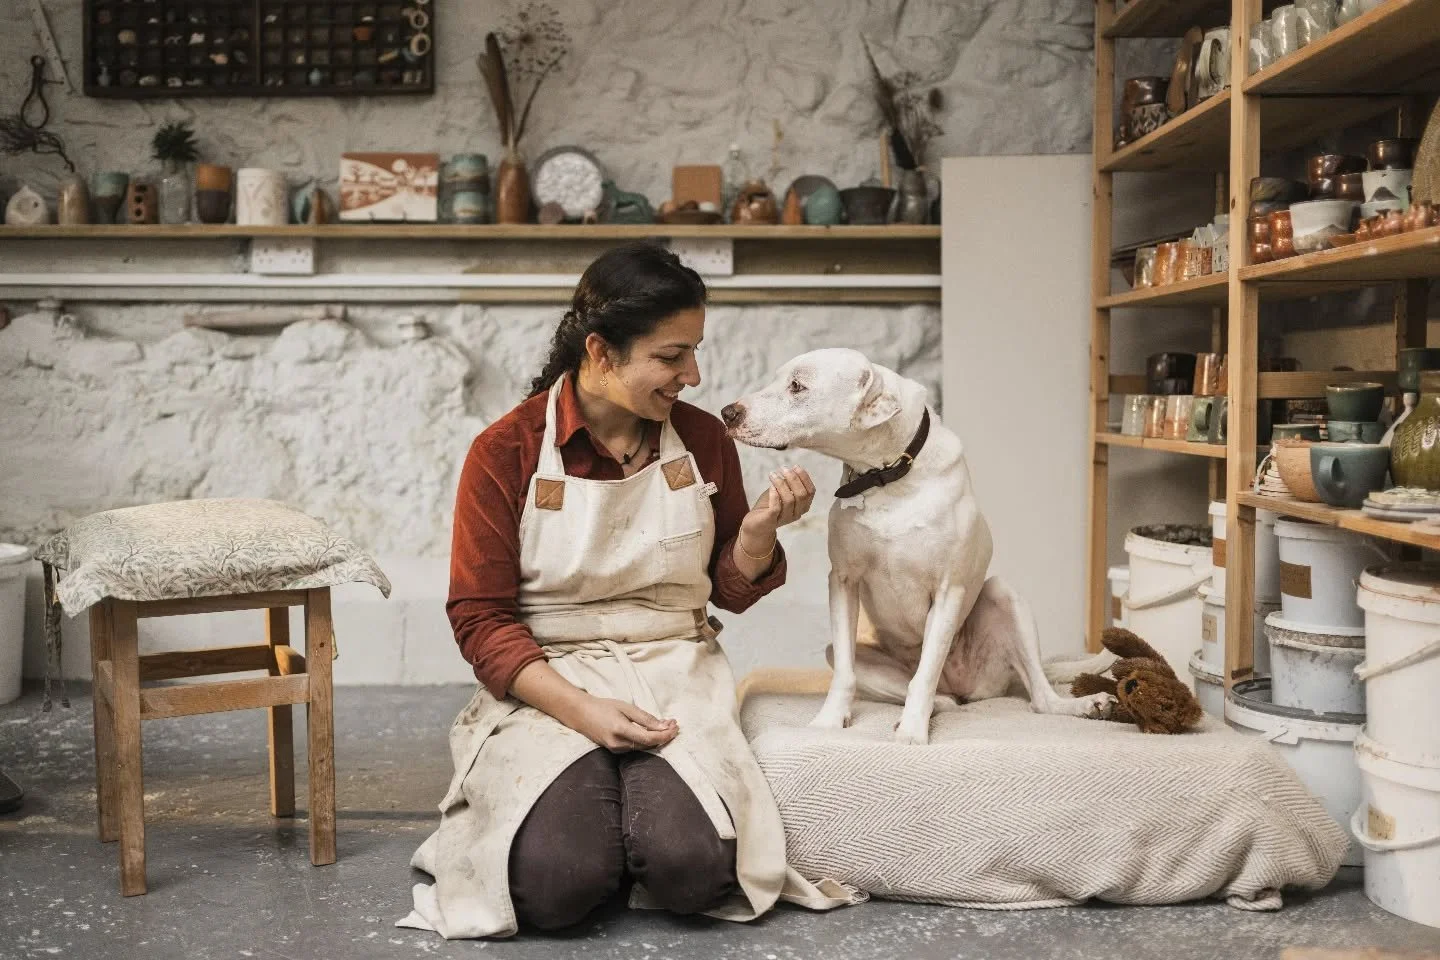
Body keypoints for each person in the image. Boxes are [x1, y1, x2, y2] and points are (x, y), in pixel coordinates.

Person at [400, 242, 859, 939]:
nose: (693, 375)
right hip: (548, 681)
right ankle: (596, 822)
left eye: (695, 351)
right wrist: (584, 712)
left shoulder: (702, 439)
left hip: (673, 670)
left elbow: (728, 591)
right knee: (555, 886)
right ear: (601, 351)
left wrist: (757, 534)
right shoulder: (507, 449)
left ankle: (626, 824)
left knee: (694, 872)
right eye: (672, 356)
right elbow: (481, 619)